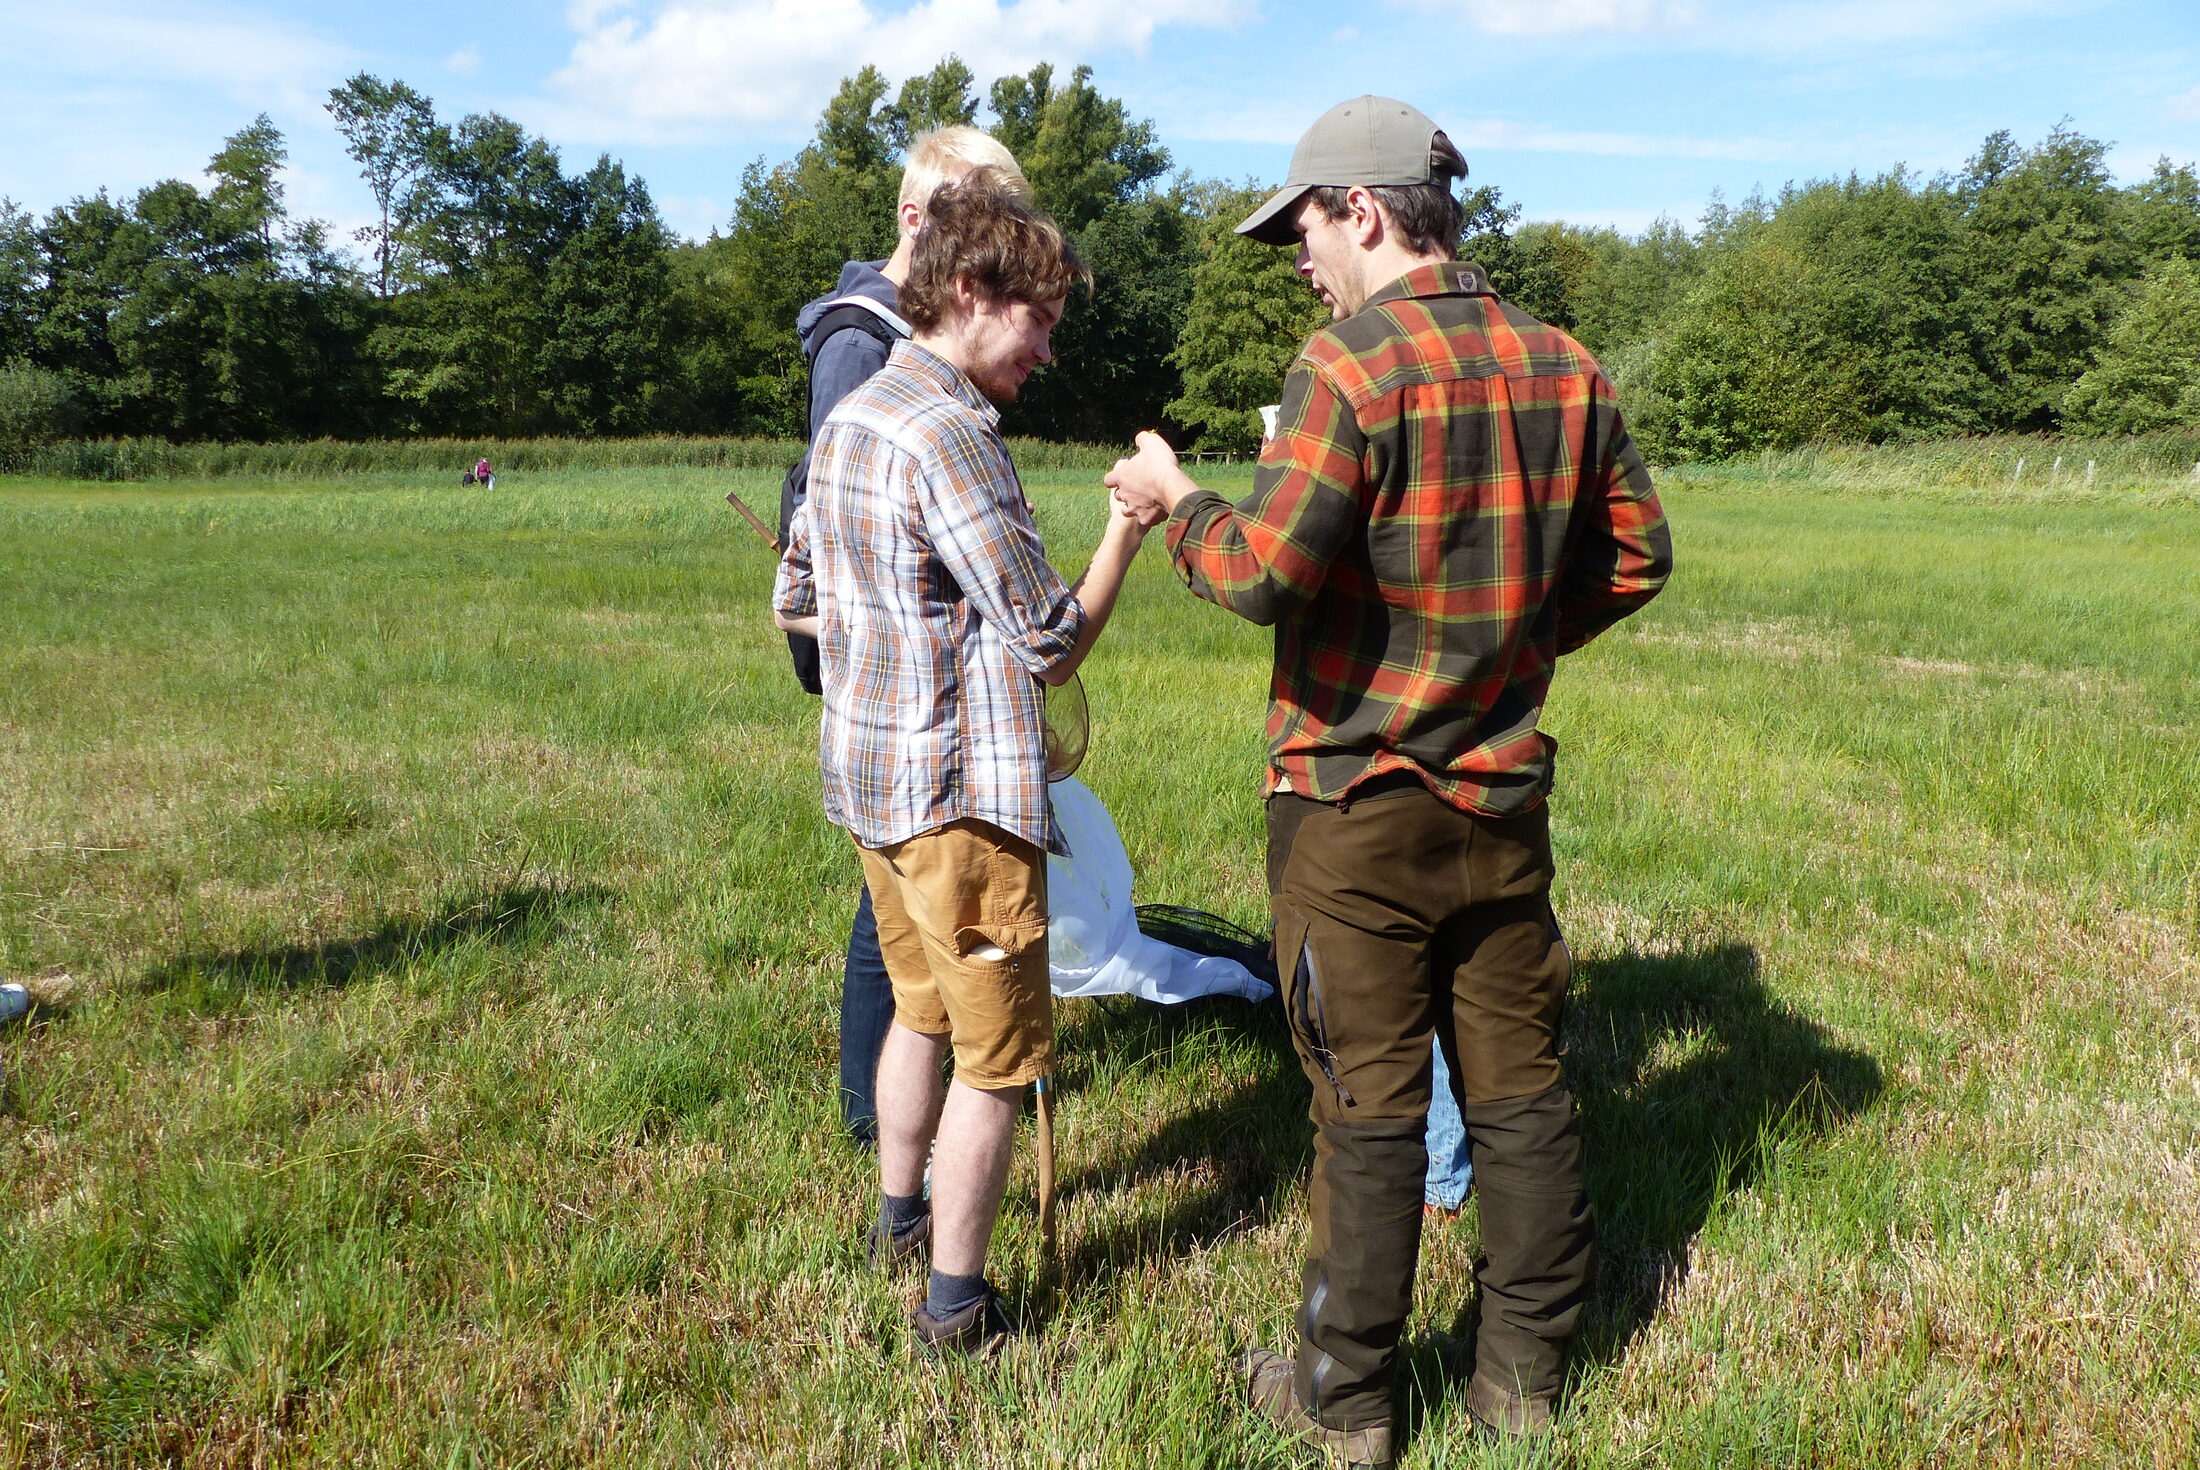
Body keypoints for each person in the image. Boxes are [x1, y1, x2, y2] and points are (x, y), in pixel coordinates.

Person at [1108, 96, 1671, 1463]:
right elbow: (1639, 554)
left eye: (1301, 227)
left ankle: (1345, 1396)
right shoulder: (1567, 364)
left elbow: (1259, 574)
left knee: (1366, 1103)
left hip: (1350, 810)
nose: (1298, 257)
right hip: (1502, 802)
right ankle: (1524, 1376)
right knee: (1520, 1090)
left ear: (1361, 210)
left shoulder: (1345, 369)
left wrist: (1177, 498)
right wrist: (1511, 644)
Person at [774, 174, 1153, 1354]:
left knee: (921, 1015)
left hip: (870, 794)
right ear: (974, 293)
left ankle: (897, 1222)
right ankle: (956, 1308)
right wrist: (1126, 527)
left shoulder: (855, 416)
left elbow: (793, 599)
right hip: (961, 809)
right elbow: (1048, 641)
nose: (1046, 347)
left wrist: (893, 646)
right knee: (997, 1062)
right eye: (1037, 318)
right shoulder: (950, 436)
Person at [785, 126, 1033, 1153]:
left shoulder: (923, 342)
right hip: (895, 676)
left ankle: (893, 1110)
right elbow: (846, 521)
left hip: (914, 668)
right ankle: (869, 1108)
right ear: (916, 222)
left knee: (900, 899)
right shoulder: (865, 343)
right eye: (975, 226)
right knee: (890, 905)